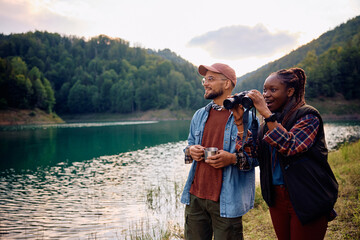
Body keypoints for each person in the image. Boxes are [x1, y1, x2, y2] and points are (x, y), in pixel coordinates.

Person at [232, 68, 338, 240]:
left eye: (273, 90)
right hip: (277, 198)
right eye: (265, 90)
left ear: (290, 91)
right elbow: (249, 155)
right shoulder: (269, 123)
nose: (266, 95)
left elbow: (290, 146)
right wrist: (239, 123)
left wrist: (266, 113)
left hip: (307, 195)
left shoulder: (308, 116)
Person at [180, 63, 258, 240]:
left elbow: (255, 158)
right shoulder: (199, 115)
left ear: (227, 84)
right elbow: (188, 149)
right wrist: (191, 151)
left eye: (211, 79)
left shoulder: (246, 116)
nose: (205, 83)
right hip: (195, 197)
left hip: (227, 200)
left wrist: (231, 159)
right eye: (204, 79)